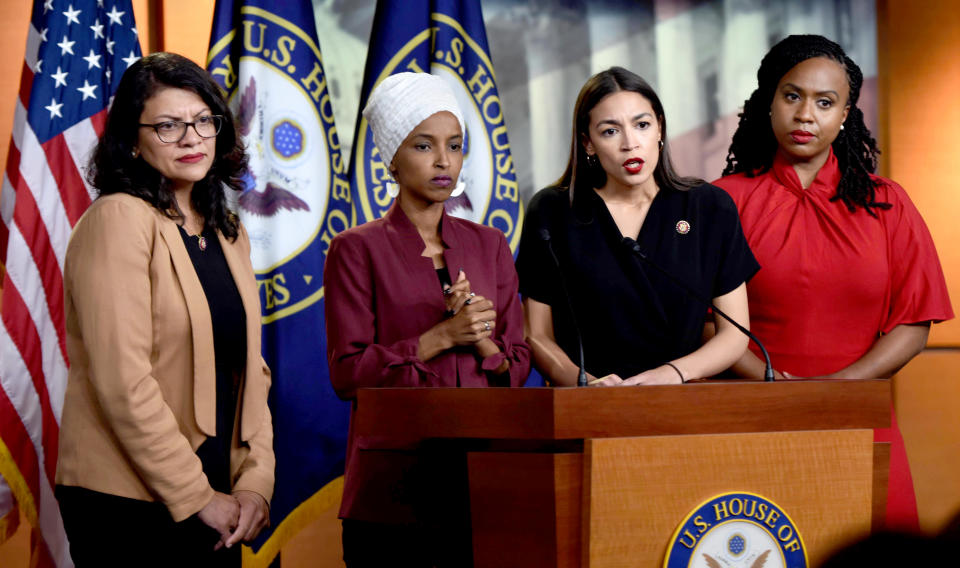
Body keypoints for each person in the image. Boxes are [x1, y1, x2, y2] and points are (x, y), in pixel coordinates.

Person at [712, 34, 953, 530]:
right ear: (768, 103)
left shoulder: (888, 203)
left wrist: (840, 388)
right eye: (792, 96)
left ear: (845, 115)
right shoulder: (722, 202)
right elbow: (703, 322)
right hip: (751, 416)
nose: (806, 115)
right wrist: (775, 385)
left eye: (825, 102)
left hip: (860, 419)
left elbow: (914, 323)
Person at [56, 53, 274, 566]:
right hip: (129, 503)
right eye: (168, 126)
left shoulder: (225, 229)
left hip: (222, 498)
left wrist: (256, 483)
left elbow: (252, 371)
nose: (192, 138)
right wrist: (196, 495)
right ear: (132, 139)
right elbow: (122, 381)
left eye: (203, 121)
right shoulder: (117, 219)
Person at [324, 72, 531, 566]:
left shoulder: (490, 245)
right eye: (424, 145)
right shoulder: (356, 249)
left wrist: (485, 345)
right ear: (391, 158)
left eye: (455, 145)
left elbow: (518, 363)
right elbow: (347, 374)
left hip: (484, 483)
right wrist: (437, 338)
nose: (444, 161)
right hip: (393, 496)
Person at [516, 67, 759, 387]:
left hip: (683, 400)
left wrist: (672, 374)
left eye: (642, 125)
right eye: (610, 131)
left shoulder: (709, 207)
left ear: (660, 128)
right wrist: (584, 385)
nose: (630, 143)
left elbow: (734, 334)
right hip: (587, 406)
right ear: (588, 143)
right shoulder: (552, 211)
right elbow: (536, 334)